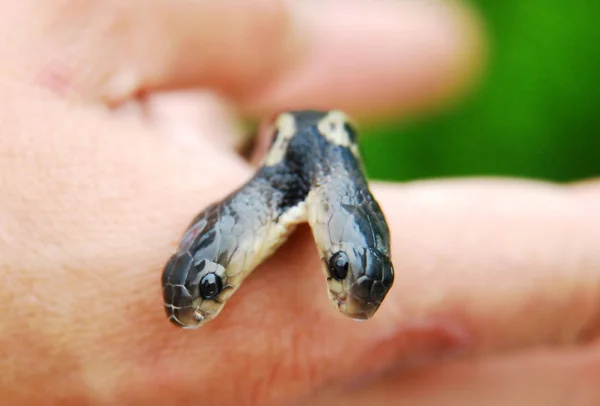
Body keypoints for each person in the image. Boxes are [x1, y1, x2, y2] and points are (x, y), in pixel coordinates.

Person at [1, 1, 598, 405]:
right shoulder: (284, 186)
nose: (347, 291)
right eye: (342, 270)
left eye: (208, 286)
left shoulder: (317, 183)